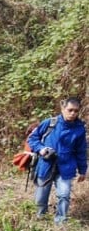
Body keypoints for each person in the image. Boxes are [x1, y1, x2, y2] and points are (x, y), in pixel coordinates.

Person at [28, 96, 87, 224]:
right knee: (40, 198)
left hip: (66, 167)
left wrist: (83, 170)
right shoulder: (50, 123)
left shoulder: (79, 128)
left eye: (76, 111)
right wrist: (41, 149)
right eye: (70, 110)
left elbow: (81, 151)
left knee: (64, 195)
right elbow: (32, 139)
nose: (73, 113)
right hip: (46, 165)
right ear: (62, 108)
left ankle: (60, 223)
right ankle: (40, 220)